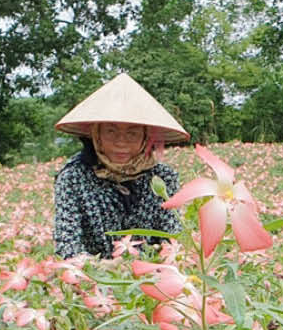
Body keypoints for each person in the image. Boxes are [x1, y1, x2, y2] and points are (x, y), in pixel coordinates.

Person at [53, 72, 190, 259]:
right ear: (96, 135)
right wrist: (102, 271)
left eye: (132, 134)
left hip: (152, 277)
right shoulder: (73, 177)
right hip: (90, 278)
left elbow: (171, 238)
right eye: (111, 132)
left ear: (145, 138)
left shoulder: (163, 178)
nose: (121, 142)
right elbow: (67, 244)